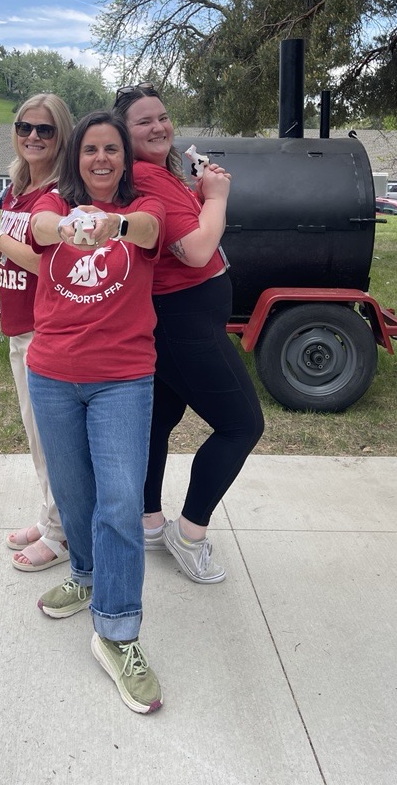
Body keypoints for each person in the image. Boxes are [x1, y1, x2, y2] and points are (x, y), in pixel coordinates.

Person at [26, 111, 165, 715]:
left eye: (112, 149)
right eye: (90, 150)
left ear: (124, 158)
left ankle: (117, 632)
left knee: (118, 500)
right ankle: (86, 574)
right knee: (75, 494)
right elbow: (43, 227)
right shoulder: (53, 203)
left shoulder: (143, 206)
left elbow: (151, 231)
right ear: (77, 158)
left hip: (122, 379)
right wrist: (71, 226)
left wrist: (115, 223)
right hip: (53, 372)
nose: (101, 158)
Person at [113, 83, 265, 585]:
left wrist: (199, 193)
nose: (158, 127)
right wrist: (217, 198)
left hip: (174, 319)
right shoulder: (144, 179)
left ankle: (147, 519)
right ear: (124, 132)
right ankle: (189, 532)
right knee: (242, 425)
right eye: (143, 122)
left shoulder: (159, 172)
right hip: (182, 323)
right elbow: (196, 251)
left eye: (163, 116)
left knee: (161, 416)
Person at [0, 93, 74, 571]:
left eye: (45, 130)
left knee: (48, 439)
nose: (32, 136)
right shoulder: (22, 189)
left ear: (61, 135)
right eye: (25, 127)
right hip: (19, 325)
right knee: (36, 435)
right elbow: (9, 256)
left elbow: (50, 267)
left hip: (44, 329)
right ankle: (52, 519)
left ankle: (61, 534)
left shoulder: (58, 195)